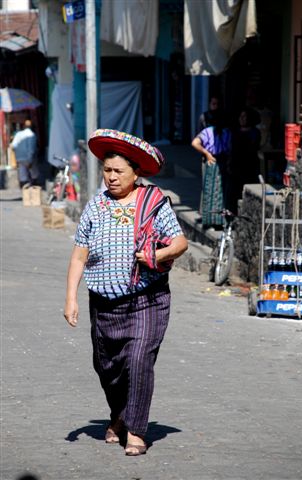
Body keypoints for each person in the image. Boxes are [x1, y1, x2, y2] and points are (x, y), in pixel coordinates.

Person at [64, 129, 188, 456]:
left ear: (136, 172)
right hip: (103, 303)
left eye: (119, 171)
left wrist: (157, 255)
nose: (112, 177)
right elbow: (79, 255)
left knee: (137, 360)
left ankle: (136, 429)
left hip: (147, 298)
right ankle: (118, 415)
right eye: (107, 171)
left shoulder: (153, 203)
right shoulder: (95, 207)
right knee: (107, 367)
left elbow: (180, 243)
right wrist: (71, 298)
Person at [191, 119, 232, 227]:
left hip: (222, 162)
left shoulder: (226, 132)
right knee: (209, 191)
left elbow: (229, 149)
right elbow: (195, 143)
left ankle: (219, 221)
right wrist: (207, 154)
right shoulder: (208, 131)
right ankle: (208, 220)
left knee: (220, 194)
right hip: (212, 162)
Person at [230, 107, 261, 213]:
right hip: (236, 167)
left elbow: (253, 148)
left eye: (244, 116)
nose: (241, 119)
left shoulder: (254, 132)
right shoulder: (235, 132)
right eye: (240, 116)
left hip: (249, 166)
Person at [11, 119, 39, 188]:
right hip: (28, 157)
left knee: (22, 172)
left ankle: (24, 186)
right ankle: (33, 187)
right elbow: (31, 149)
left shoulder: (18, 134)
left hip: (19, 157)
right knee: (33, 171)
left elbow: (13, 146)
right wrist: (29, 160)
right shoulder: (32, 135)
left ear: (24, 126)